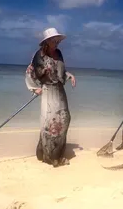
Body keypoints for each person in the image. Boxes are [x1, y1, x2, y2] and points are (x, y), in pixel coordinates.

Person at [25, 27, 76, 168]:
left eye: (58, 40)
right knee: (50, 124)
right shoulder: (39, 55)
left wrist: (69, 75)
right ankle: (51, 157)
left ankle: (53, 153)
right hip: (48, 91)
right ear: (47, 41)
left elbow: (61, 72)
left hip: (60, 91)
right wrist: (35, 89)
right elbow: (30, 72)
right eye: (54, 40)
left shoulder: (59, 53)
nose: (57, 42)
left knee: (64, 120)